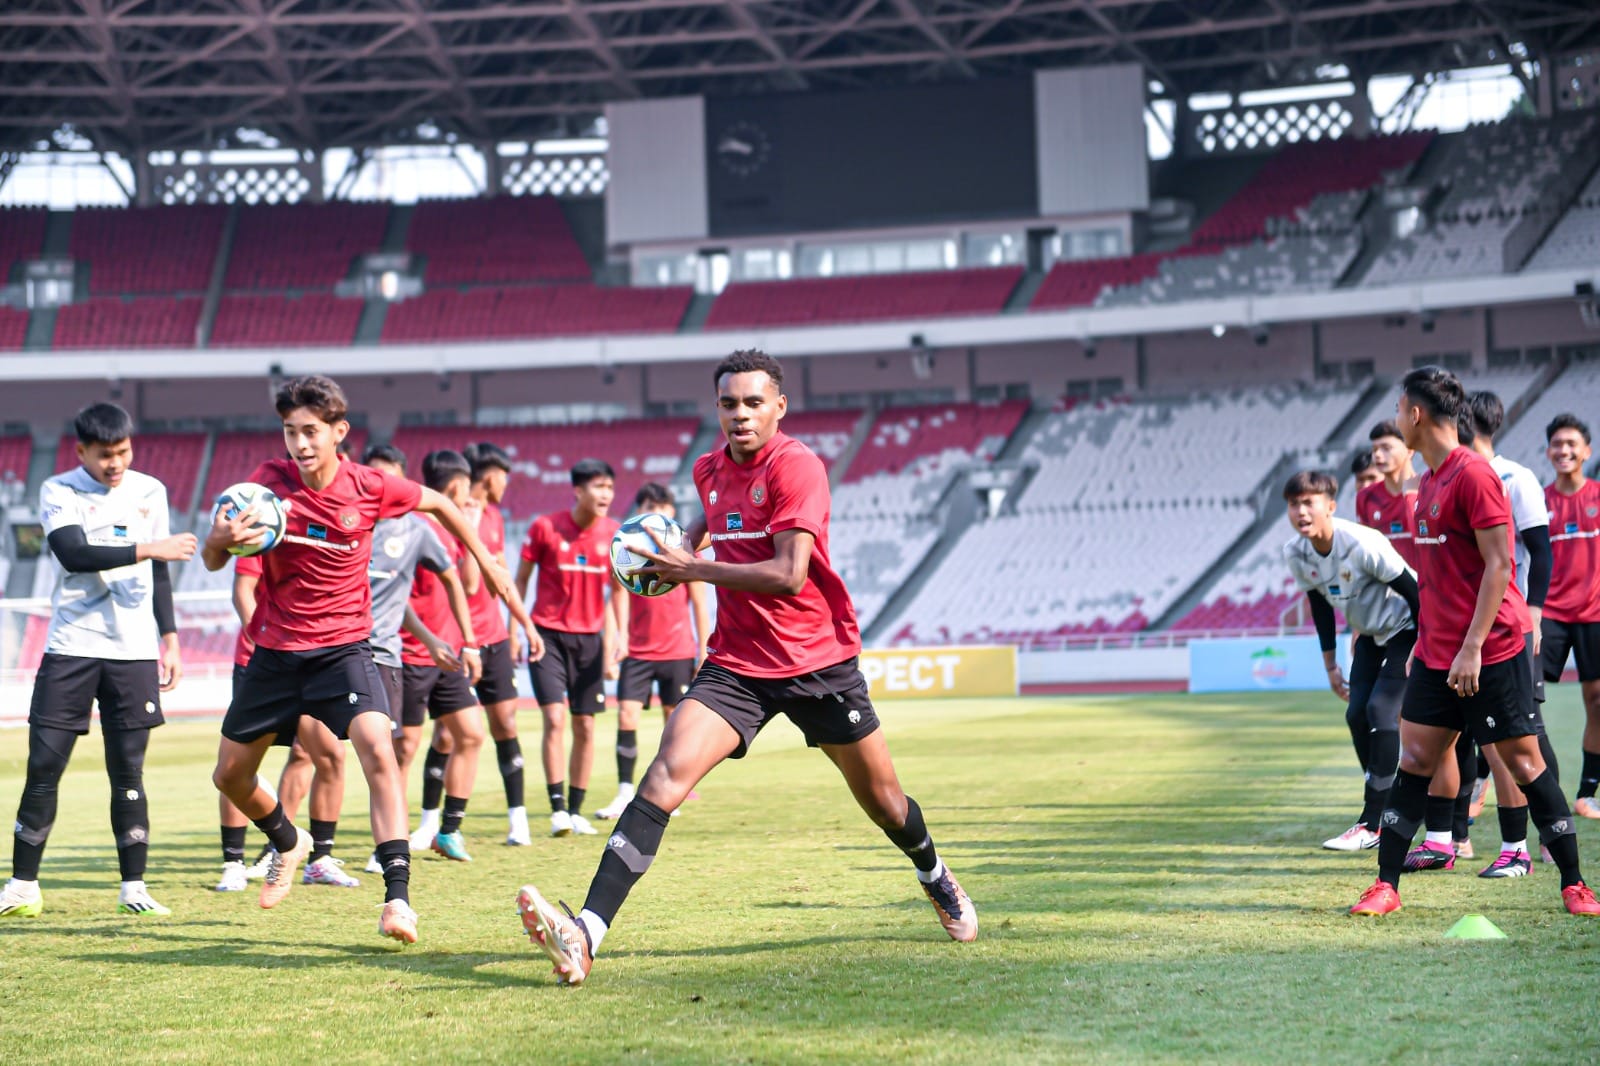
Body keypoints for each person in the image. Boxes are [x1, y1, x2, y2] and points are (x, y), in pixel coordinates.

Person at [512, 349, 978, 987]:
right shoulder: (708, 469)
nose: (740, 415)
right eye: (729, 403)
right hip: (736, 664)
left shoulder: (798, 467)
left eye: (754, 402)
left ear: (779, 407)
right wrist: (669, 549)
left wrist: (690, 568)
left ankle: (934, 876)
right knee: (663, 777)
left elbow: (789, 575)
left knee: (885, 804)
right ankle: (586, 934)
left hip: (818, 662)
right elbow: (702, 529)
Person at [203, 375, 518, 944]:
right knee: (230, 775)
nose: (299, 444)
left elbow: (443, 502)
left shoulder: (370, 486)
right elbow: (212, 561)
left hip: (344, 649)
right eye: (290, 431)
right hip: (275, 653)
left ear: (338, 432)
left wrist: (488, 564)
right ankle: (288, 839)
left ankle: (398, 899)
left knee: (379, 749)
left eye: (311, 432)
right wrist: (217, 540)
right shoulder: (265, 486)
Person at [1349, 367, 1598, 918]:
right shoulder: (1429, 483)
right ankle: (1385, 886)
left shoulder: (1474, 475)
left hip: (1494, 649)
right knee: (1415, 757)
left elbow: (1499, 565)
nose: (1395, 420)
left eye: (1398, 410)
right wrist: (1427, 639)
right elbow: (1437, 576)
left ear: (1415, 415)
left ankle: (1575, 885)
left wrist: (1472, 647)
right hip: (1439, 650)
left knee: (1525, 763)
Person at [1, 403, 195, 918]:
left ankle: (134, 887)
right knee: (44, 767)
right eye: (106, 455)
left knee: (128, 772)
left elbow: (160, 572)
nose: (116, 464)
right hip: (72, 646)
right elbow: (74, 554)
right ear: (82, 451)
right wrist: (151, 547)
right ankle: (22, 887)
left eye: (124, 452)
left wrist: (169, 638)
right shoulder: (58, 490)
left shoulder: (150, 491)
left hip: (132, 654)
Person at [1408, 394, 1555, 879]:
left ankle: (1518, 847)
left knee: (1506, 745)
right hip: (1449, 639)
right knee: (1445, 743)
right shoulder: (1434, 479)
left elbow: (1528, 554)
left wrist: (1533, 615)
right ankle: (1443, 840)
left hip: (1499, 635)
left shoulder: (1507, 476)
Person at [363, 444, 488, 867]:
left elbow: (464, 585)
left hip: (445, 652)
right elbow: (397, 598)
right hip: (410, 654)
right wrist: (429, 638)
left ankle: (448, 830)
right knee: (402, 749)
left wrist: (464, 641)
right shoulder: (367, 529)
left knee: (471, 732)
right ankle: (389, 844)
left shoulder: (430, 527)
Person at [1281, 470, 1419, 853]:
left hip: (1407, 629)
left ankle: (1373, 823)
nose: (1301, 512)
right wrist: (1330, 665)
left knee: (1380, 711)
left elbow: (1414, 590)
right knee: (1356, 715)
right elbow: (1320, 608)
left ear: (1330, 505)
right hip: (1371, 638)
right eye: (1294, 504)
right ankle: (1384, 801)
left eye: (1309, 503)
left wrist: (1423, 646)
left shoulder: (1361, 542)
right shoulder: (1295, 552)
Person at [413, 442, 542, 848]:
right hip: (456, 641)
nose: (507, 483)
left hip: (493, 639)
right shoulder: (443, 520)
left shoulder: (495, 518)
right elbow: (469, 583)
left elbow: (499, 577)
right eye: (504, 475)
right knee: (446, 736)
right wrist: (468, 534)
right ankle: (430, 823)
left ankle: (517, 820)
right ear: (489, 476)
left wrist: (524, 624)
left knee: (504, 725)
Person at [214, 554, 354, 891]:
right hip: (262, 665)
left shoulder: (321, 531)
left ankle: (318, 858)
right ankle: (234, 861)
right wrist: (264, 643)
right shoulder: (267, 523)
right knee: (239, 765)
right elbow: (243, 590)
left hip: (310, 664)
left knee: (326, 755)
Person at [514, 458, 621, 839]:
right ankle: (557, 809)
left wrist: (615, 640)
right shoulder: (545, 527)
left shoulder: (614, 534)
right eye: (598, 487)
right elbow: (521, 579)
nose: (606, 494)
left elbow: (618, 592)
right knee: (556, 720)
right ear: (578, 490)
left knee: (587, 726)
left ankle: (576, 810)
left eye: (609, 487)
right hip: (548, 637)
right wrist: (518, 627)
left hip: (590, 641)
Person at [598, 482, 712, 820]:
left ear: (673, 513)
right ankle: (623, 791)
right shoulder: (625, 552)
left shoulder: (688, 553)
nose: (657, 513)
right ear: (638, 510)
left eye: (662, 507)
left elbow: (699, 604)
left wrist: (702, 649)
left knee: (674, 722)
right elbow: (616, 598)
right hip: (638, 651)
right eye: (649, 505)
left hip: (677, 649)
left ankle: (670, 791)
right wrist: (616, 640)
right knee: (626, 716)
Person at [1540, 413, 1600, 821]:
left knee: (1597, 701)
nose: (1564, 450)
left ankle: (1586, 793)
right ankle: (1487, 781)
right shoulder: (1539, 501)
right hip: (1548, 615)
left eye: (1571, 444)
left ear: (1586, 451)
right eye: (1557, 444)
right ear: (1549, 451)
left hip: (1594, 614)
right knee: (1519, 698)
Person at [1355, 422, 1419, 569]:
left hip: (1427, 587)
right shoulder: (1365, 497)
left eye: (1386, 448)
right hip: (1387, 589)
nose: (1377, 455)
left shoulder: (1428, 490)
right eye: (1374, 449)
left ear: (1409, 450)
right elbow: (1365, 552)